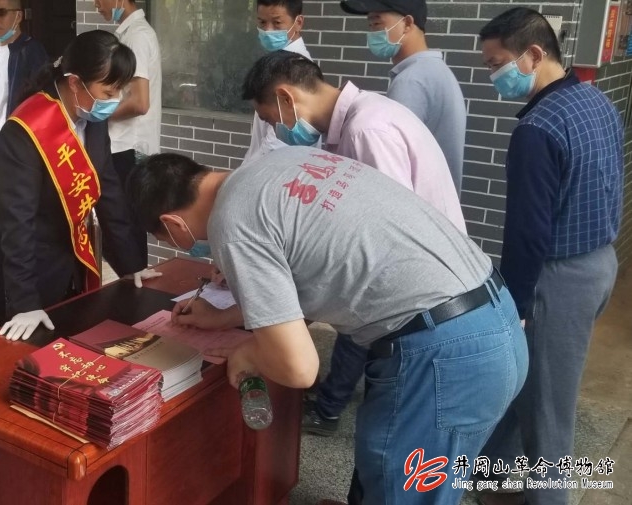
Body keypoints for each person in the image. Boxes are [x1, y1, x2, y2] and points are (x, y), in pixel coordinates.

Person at [128, 147, 527, 505]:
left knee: (404, 485)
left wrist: (249, 351)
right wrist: (226, 317)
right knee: (392, 468)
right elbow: (318, 276)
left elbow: (299, 368)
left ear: (172, 224)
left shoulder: (232, 222)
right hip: (492, 318)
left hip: (445, 356)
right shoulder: (281, 163)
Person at [242, 50, 466, 437]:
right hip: (424, 288)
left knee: (396, 434)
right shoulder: (359, 120)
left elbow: (388, 234)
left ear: (285, 98)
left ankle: (333, 412)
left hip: (426, 298)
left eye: (271, 120)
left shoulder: (367, 131)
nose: (277, 132)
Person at [475, 9, 622, 505]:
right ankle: (493, 477)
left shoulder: (536, 129)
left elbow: (528, 233)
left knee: (548, 411)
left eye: (496, 63)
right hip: (601, 264)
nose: (493, 74)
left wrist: (515, 304)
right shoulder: (595, 100)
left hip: (557, 281)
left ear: (534, 54)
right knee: (528, 383)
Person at [0, 30, 161, 341]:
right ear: (74, 82)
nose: (114, 102)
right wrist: (25, 303)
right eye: (108, 92)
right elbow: (17, 221)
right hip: (18, 281)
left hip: (67, 268)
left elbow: (108, 192)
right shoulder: (24, 131)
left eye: (120, 91)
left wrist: (131, 265)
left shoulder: (93, 120)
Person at [340, 0, 466, 194]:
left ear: (407, 23)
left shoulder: (411, 81)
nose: (372, 33)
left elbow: (392, 159)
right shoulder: (436, 70)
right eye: (370, 25)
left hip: (418, 201)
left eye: (377, 23)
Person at [95, 0, 162, 277]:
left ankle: (134, 289)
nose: (96, 5)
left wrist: (96, 115)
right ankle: (133, 282)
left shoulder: (136, 37)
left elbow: (139, 102)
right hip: (126, 145)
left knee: (123, 226)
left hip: (127, 146)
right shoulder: (129, 33)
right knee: (123, 226)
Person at [0, 0, 49, 168]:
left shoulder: (33, 52)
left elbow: (45, 108)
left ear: (18, 16)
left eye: (0, 13)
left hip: (25, 154)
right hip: (4, 149)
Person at [244, 0, 313, 164]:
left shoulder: (293, 69)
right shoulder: (279, 61)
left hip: (275, 166)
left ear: (298, 22)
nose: (268, 30)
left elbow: (277, 142)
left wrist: (245, 171)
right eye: (262, 22)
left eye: (277, 23)